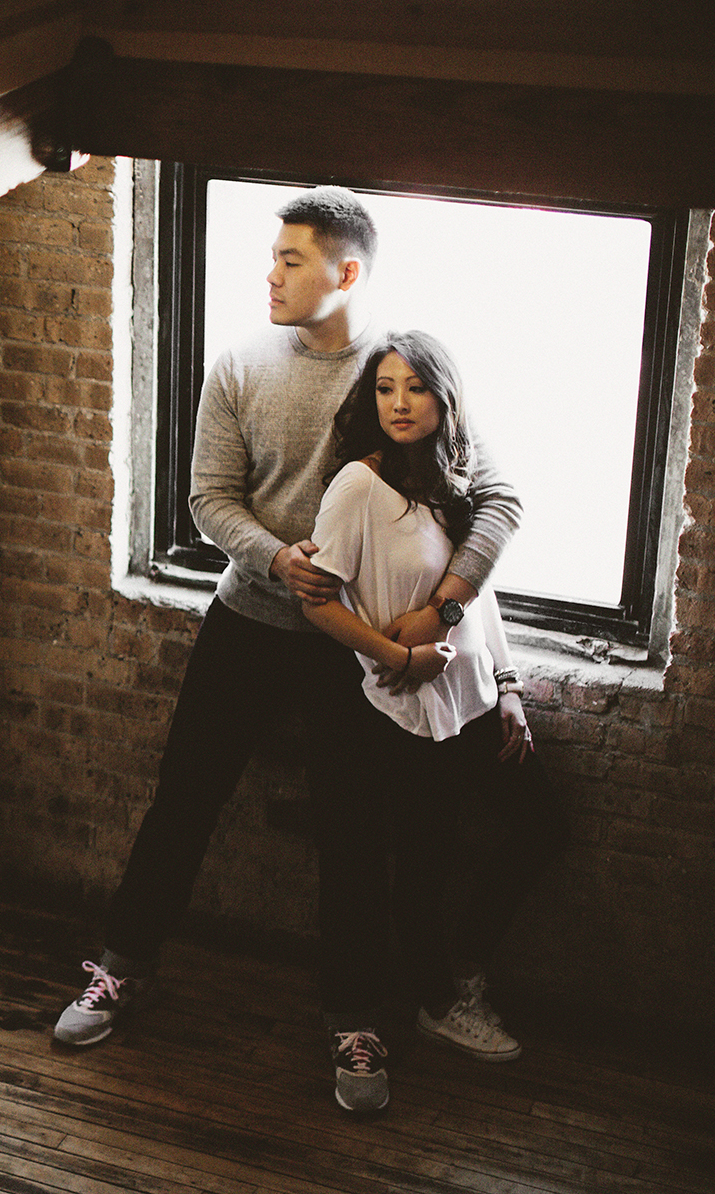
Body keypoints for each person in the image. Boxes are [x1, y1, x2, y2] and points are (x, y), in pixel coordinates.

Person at [53, 188, 523, 1048]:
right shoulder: (240, 364)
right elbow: (209, 498)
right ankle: (124, 965)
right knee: (184, 798)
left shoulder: (400, 372)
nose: (270, 274)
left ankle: (354, 1021)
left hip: (354, 647)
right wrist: (276, 556)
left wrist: (444, 607)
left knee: (351, 833)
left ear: (347, 273)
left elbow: (496, 498)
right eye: (273, 257)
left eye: (290, 260)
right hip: (249, 619)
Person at [302, 330, 564, 1113]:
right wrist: (399, 654)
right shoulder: (358, 484)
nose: (400, 403)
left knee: (545, 825)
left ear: (445, 399)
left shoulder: (455, 479)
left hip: (478, 698)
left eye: (415, 388)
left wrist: (509, 682)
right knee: (424, 861)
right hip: (411, 708)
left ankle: (469, 965)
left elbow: (475, 591)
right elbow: (318, 601)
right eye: (385, 388)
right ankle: (439, 1001)